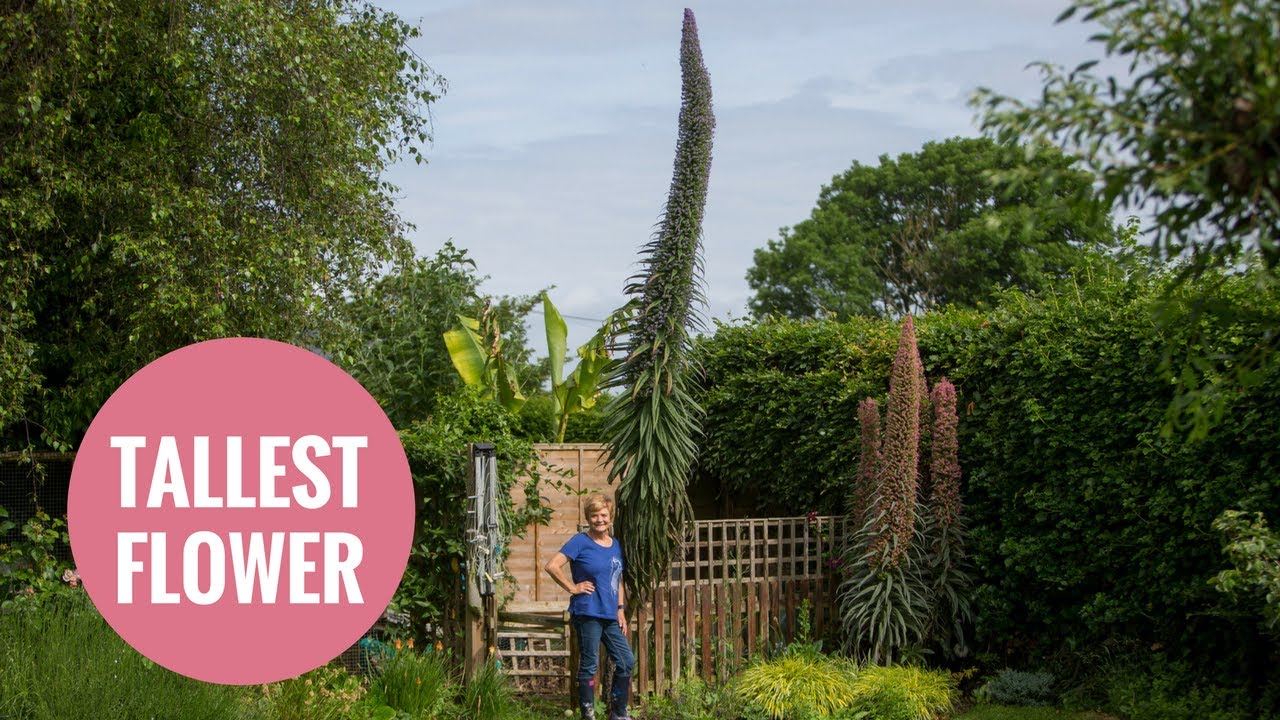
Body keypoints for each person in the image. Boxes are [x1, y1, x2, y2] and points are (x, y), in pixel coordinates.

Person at [545, 492, 634, 720]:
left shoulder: (615, 545)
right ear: (588, 518)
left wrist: (620, 608)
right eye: (594, 515)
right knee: (589, 665)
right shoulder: (580, 541)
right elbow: (552, 566)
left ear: (610, 516)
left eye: (603, 515)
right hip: (587, 612)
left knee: (626, 661)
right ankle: (588, 715)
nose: (599, 519)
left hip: (609, 614)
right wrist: (572, 587)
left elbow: (618, 578)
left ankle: (619, 713)